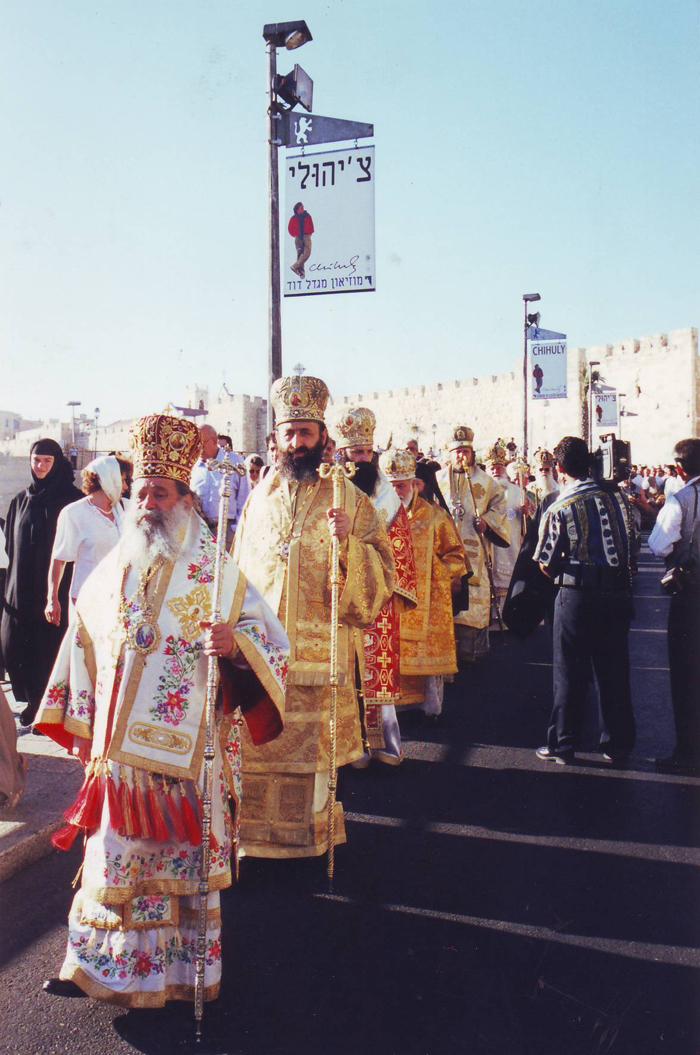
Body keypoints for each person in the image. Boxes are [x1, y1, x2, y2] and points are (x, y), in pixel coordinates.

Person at [37, 413, 287, 1006]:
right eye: (143, 490)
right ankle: (93, 966)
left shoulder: (217, 571)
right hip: (117, 763)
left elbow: (271, 641)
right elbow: (83, 635)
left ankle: (172, 978)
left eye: (162, 492)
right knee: (113, 859)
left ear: (184, 500)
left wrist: (236, 646)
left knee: (174, 872)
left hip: (183, 764)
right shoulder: (116, 564)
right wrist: (80, 719)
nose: (149, 502)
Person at [233, 375, 394, 858]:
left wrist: (349, 545)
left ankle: (309, 840)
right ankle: (255, 842)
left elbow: (383, 569)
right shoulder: (256, 500)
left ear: (323, 437)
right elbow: (238, 564)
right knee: (256, 750)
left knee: (313, 760)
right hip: (260, 653)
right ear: (275, 439)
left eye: (306, 433)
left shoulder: (349, 498)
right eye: (289, 433)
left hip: (318, 653)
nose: (297, 443)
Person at [533, 436, 635, 764]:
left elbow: (545, 562)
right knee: (614, 670)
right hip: (617, 592)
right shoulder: (617, 496)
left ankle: (563, 744)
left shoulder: (560, 506)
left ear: (560, 468)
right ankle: (618, 744)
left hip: (577, 595)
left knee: (570, 672)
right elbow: (632, 539)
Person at [336, 408, 417, 766]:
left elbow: (401, 547)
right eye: (355, 454)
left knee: (377, 674)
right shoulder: (331, 492)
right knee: (345, 673)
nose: (362, 461)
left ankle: (385, 746)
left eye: (367, 453)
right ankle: (349, 749)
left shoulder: (388, 499)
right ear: (343, 455)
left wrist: (394, 591)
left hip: (379, 599)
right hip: (340, 597)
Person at [0, 439, 82, 726]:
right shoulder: (20, 500)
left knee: (49, 646)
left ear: (57, 462)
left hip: (55, 587)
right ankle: (33, 702)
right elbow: (11, 544)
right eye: (36, 460)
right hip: (22, 585)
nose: (40, 466)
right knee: (18, 644)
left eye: (47, 461)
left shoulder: (72, 500)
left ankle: (49, 709)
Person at [382, 449, 467, 718]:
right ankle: (392, 709)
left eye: (402, 485)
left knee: (424, 663)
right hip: (390, 600)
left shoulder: (435, 517)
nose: (397, 491)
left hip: (427, 600)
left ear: (413, 484)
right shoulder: (374, 516)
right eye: (392, 486)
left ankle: (428, 710)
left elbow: (457, 556)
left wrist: (437, 572)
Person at [648, 438, 700, 771]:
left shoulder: (680, 500)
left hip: (691, 599)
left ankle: (688, 753)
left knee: (686, 677)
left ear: (679, 469)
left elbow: (658, 546)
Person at [436, 426, 509, 663]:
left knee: (472, 605)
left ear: (472, 453)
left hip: (474, 553)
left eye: (465, 451)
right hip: (442, 552)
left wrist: (487, 523)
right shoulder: (437, 481)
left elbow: (500, 507)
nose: (461, 456)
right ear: (449, 454)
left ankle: (472, 651)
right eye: (457, 452)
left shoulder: (487, 483)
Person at [45, 455, 126, 625]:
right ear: (110, 479)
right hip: (87, 597)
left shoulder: (126, 508)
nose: (125, 487)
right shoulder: (74, 513)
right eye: (123, 480)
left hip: (121, 598)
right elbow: (59, 559)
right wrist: (52, 600)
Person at [485, 440, 527, 623]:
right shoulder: (482, 491)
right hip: (490, 543)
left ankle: (508, 616)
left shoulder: (518, 492)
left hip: (510, 544)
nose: (496, 470)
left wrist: (527, 512)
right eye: (492, 467)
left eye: (499, 466)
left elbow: (528, 523)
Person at [190, 425, 248, 549]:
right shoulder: (193, 467)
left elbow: (244, 498)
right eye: (194, 443)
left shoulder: (234, 461)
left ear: (214, 441)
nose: (197, 448)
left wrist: (236, 529)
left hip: (228, 530)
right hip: (201, 532)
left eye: (201, 443)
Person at [288, 201, 314, 279]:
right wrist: (296, 234)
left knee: (307, 252)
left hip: (306, 236)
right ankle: (301, 273)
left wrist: (309, 233)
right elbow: (290, 229)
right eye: (301, 208)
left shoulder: (307, 215)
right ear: (297, 210)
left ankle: (295, 266)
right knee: (300, 254)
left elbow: (311, 225)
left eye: (303, 207)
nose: (303, 209)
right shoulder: (293, 218)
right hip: (298, 237)